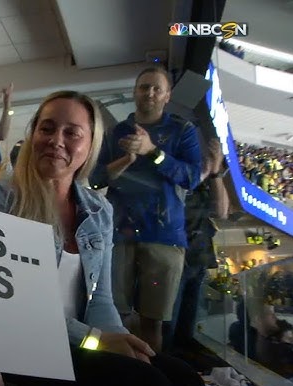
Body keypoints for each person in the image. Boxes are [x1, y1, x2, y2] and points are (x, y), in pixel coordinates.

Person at [0, 90, 203, 386]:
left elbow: (100, 299)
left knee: (182, 376)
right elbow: (13, 303)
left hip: (82, 345)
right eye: (46, 128)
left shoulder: (100, 209)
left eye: (72, 133)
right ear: (33, 135)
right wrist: (97, 341)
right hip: (22, 344)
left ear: (90, 146)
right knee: (146, 380)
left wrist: (123, 342)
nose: (56, 140)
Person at [89, 66, 201, 352]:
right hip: (118, 235)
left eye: (156, 88)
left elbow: (191, 178)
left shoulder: (182, 131)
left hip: (164, 237)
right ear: (134, 92)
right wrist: (124, 160)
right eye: (143, 87)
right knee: (116, 317)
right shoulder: (115, 132)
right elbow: (94, 178)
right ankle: (123, 374)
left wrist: (153, 152)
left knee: (153, 322)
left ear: (167, 96)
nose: (149, 93)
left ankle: (152, 375)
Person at [163, 137, 229, 353]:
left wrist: (216, 172)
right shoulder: (174, 172)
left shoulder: (204, 182)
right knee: (167, 329)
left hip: (197, 262)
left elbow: (221, 211)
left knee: (190, 330)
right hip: (172, 261)